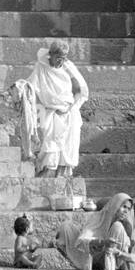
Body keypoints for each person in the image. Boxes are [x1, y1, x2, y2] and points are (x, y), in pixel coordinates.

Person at [56, 192, 135, 270]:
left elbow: (133, 258)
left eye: (128, 209)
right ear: (115, 205)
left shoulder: (126, 226)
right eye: (123, 207)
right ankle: (77, 262)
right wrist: (103, 242)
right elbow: (83, 240)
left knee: (117, 226)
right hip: (91, 258)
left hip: (111, 261)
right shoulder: (98, 217)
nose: (126, 211)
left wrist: (118, 253)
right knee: (66, 226)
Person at [27, 40, 88, 177]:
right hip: (51, 113)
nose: (61, 61)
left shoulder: (68, 67)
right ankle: (47, 176)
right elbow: (30, 86)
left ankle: (64, 178)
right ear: (51, 55)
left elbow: (79, 91)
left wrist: (70, 108)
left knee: (68, 148)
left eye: (63, 58)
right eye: (58, 58)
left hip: (69, 113)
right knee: (50, 146)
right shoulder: (41, 67)